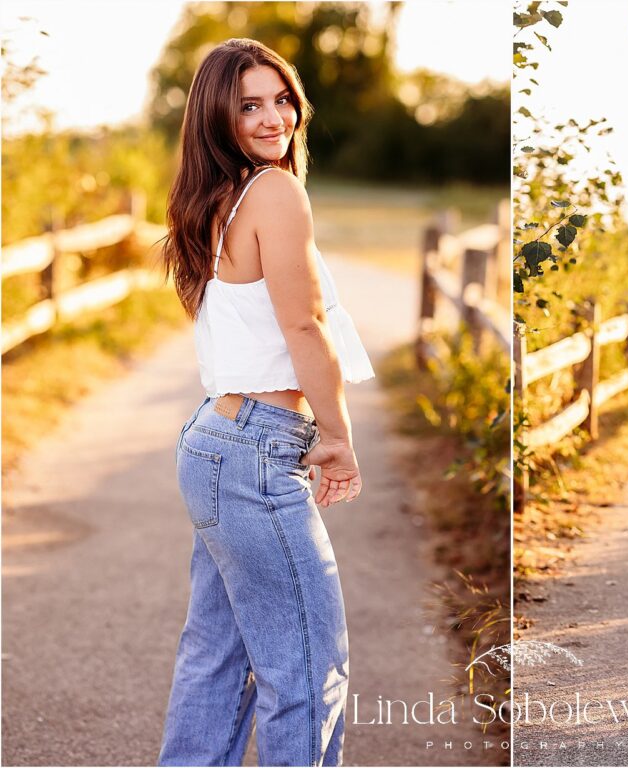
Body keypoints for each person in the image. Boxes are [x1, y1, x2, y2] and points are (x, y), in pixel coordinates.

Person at [157, 38, 374, 766]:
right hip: (253, 450)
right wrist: (337, 436)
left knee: (218, 662)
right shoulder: (275, 192)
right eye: (249, 104)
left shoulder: (217, 197)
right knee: (310, 669)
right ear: (217, 116)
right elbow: (302, 325)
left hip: (218, 444)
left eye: (282, 99)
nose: (274, 116)